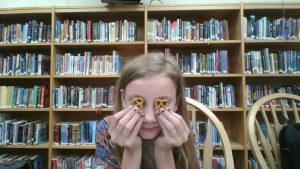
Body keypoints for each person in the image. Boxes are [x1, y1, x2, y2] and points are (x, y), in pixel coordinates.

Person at [93, 53, 199, 169]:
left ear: (177, 102)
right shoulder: (105, 129)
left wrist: (163, 151)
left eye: (162, 103)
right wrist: (131, 152)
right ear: (123, 99)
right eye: (137, 103)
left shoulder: (186, 130)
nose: (149, 118)